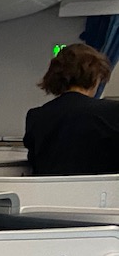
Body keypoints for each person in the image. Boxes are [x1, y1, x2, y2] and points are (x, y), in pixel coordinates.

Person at [24, 43, 119, 175]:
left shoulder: (36, 117)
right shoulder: (113, 112)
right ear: (95, 77)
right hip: (100, 192)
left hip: (49, 194)